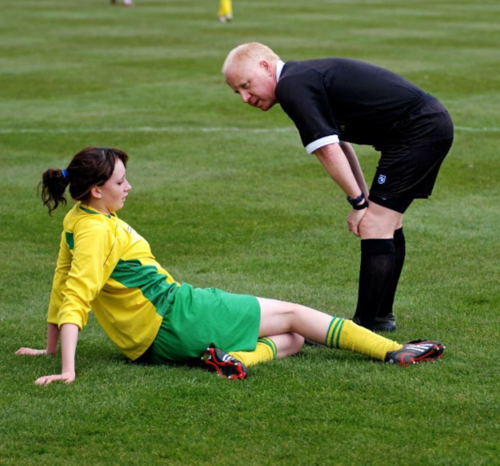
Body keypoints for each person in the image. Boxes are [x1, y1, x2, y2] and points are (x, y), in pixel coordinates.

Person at [16, 147, 445, 385]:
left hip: (147, 344)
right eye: (120, 182)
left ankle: (233, 360)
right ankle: (392, 351)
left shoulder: (79, 219)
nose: (128, 187)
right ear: (94, 190)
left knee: (293, 337)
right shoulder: (96, 231)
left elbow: (60, 283)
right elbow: (75, 293)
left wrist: (50, 348)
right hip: (177, 316)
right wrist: (66, 371)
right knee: (296, 313)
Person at [222, 42, 454, 332]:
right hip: (425, 126)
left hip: (418, 130)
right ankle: (379, 318)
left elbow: (328, 150)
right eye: (237, 92)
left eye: (246, 85)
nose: (244, 97)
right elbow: (340, 145)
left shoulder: (291, 85)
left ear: (266, 67)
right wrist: (363, 199)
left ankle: (363, 327)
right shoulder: (299, 78)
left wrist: (359, 204)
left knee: (375, 225)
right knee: (386, 223)